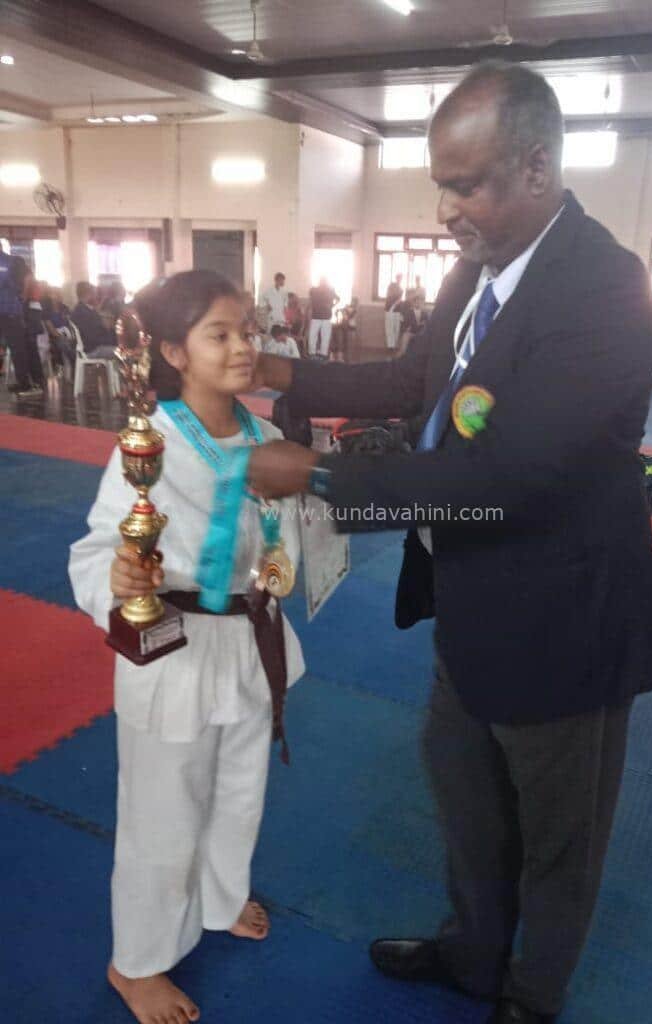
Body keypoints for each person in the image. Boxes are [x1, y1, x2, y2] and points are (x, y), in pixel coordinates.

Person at [244, 62, 652, 1024]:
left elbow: (509, 477)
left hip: (565, 623)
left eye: (467, 184)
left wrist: (321, 478)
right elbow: (416, 381)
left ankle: (531, 997)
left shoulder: (604, 289)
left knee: (558, 838)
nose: (446, 210)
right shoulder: (477, 267)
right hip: (470, 599)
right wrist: (282, 369)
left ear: (537, 167)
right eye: (441, 183)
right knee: (467, 799)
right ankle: (474, 955)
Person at [68, 270, 305, 1024]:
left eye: (248, 332)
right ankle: (136, 963)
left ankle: (219, 899)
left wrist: (290, 543)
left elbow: (285, 546)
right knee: (162, 812)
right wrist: (119, 576)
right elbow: (96, 548)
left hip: (251, 641)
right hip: (175, 650)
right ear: (174, 351)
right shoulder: (151, 444)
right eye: (219, 334)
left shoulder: (267, 440)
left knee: (239, 791)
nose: (242, 348)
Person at [0, 248, 43, 396]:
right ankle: (24, 382)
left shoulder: (13, 261)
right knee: (17, 348)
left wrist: (22, 297)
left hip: (10, 311)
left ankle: (26, 383)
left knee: (18, 348)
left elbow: (28, 278)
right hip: (7, 311)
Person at [71, 281, 117, 358]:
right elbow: (93, 339)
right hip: (92, 350)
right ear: (89, 294)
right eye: (95, 294)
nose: (97, 296)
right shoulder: (83, 313)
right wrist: (109, 332)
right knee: (123, 354)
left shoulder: (82, 309)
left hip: (93, 346)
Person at [307, 276, 338, 359]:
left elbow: (338, 299)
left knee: (324, 337)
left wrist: (332, 305)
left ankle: (322, 354)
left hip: (326, 317)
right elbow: (310, 302)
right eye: (322, 281)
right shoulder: (313, 290)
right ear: (320, 282)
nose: (323, 283)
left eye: (324, 282)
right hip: (316, 317)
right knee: (313, 336)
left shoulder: (330, 290)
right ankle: (312, 353)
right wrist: (309, 314)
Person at [384, 274, 404, 351]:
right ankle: (390, 346)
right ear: (396, 278)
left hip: (397, 310)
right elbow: (389, 295)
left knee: (396, 328)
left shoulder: (401, 289)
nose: (399, 279)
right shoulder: (391, 285)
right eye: (398, 277)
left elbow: (400, 299)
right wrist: (393, 305)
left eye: (400, 278)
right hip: (389, 309)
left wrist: (397, 304)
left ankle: (394, 346)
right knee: (389, 328)